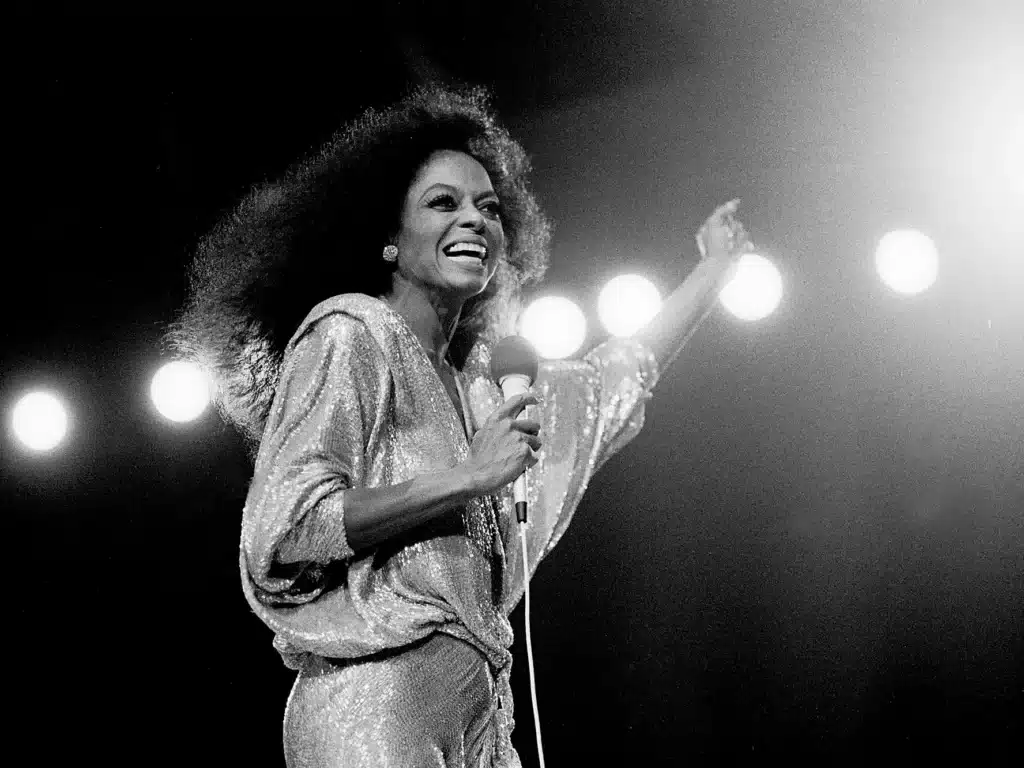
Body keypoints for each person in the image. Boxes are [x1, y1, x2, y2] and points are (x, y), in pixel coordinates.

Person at [165, 83, 751, 767]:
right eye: (444, 203)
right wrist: (466, 477)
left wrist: (712, 272)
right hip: (376, 710)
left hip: (481, 718)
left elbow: (611, 381)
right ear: (387, 238)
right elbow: (288, 526)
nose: (475, 220)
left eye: (490, 208)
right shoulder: (352, 332)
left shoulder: (484, 388)